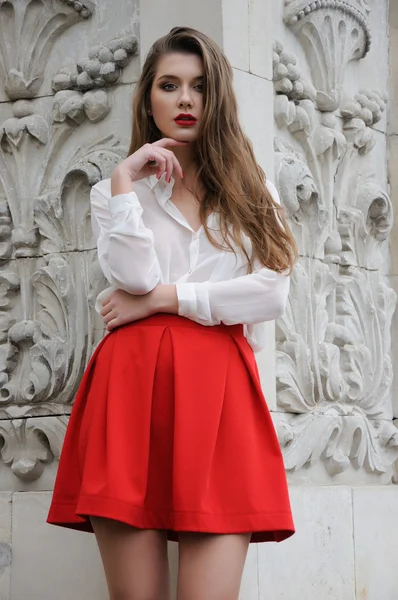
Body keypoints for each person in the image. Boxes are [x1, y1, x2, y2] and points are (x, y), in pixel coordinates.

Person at [47, 26, 297, 600]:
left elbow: (271, 294)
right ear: (148, 98)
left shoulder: (253, 191)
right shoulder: (119, 192)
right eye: (170, 85)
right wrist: (123, 180)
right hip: (130, 393)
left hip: (222, 395)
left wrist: (164, 299)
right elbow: (130, 278)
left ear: (219, 99)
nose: (186, 99)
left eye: (200, 87)